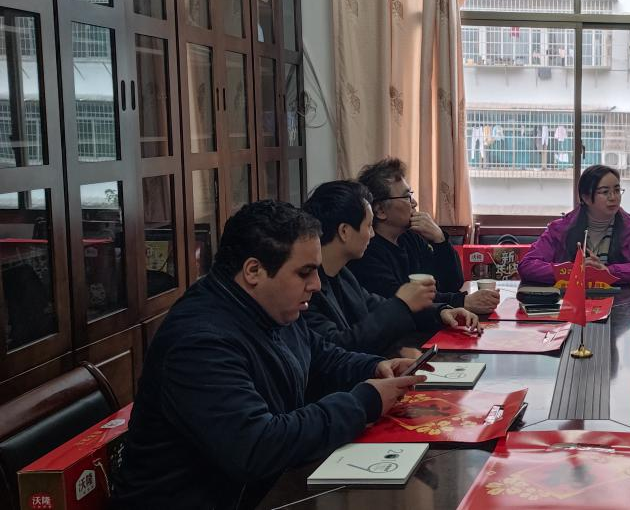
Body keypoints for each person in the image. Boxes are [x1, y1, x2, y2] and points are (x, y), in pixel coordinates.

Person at [112, 201, 430, 509]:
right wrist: (362, 402)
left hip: (263, 489)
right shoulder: (199, 342)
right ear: (254, 270)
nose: (316, 285)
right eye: (304, 273)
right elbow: (256, 447)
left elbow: (321, 355)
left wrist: (374, 368)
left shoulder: (271, 306)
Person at [301, 181, 481, 355]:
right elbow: (339, 348)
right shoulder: (307, 290)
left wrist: (441, 312)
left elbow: (376, 305)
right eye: (369, 226)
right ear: (344, 231)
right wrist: (401, 304)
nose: (372, 234)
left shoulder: (343, 275)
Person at [348, 157, 500, 314]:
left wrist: (440, 240)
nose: (414, 203)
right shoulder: (366, 251)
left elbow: (451, 284)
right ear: (380, 210)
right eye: (407, 197)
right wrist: (462, 302)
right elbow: (404, 301)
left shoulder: (410, 237)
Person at [518, 165, 630, 285]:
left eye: (617, 190)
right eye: (605, 192)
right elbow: (527, 266)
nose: (613, 197)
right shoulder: (560, 229)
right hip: (569, 301)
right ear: (585, 197)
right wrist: (572, 271)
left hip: (620, 302)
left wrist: (608, 272)